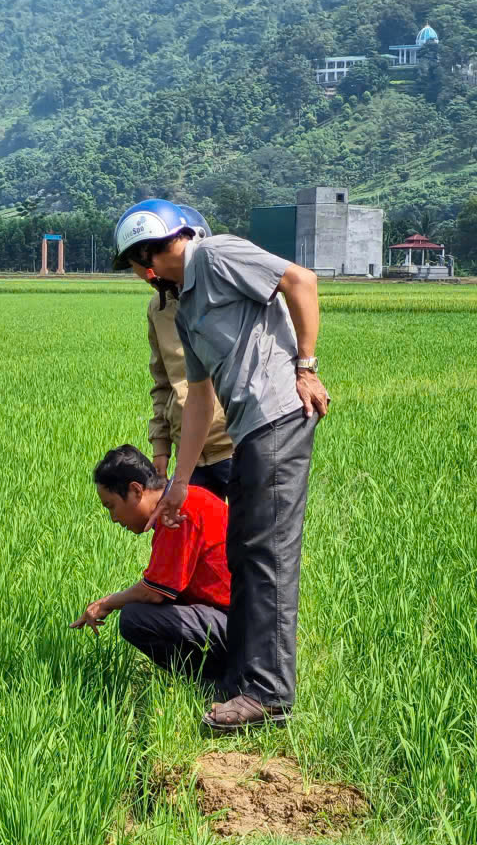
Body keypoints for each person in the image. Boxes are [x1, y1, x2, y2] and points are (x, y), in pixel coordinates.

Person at [112, 199, 329, 732]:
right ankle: (245, 680)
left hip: (278, 415)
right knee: (245, 553)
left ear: (151, 254)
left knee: (267, 556)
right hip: (248, 430)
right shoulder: (185, 310)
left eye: (138, 262)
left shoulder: (215, 254)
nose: (140, 274)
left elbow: (301, 281)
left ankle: (269, 694)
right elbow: (199, 400)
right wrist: (179, 483)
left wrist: (306, 367)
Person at [70, 445, 232, 688]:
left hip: (241, 625)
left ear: (136, 490)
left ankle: (217, 683)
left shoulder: (177, 513)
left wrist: (106, 603)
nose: (113, 518)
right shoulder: (183, 503)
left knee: (135, 618)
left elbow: (153, 592)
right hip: (239, 618)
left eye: (111, 506)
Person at [146, 204, 235, 499]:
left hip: (233, 446)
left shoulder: (223, 294)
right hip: (190, 455)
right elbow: (162, 381)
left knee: (247, 527)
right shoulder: (158, 308)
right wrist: (160, 446)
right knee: (188, 526)